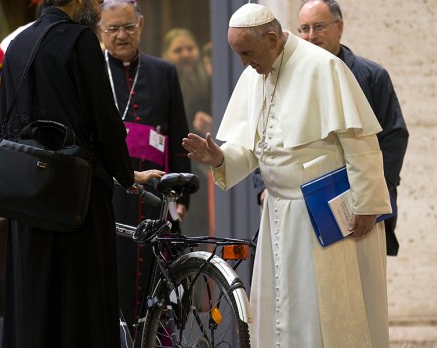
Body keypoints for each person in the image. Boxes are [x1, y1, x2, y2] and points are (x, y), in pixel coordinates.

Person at [182, 3, 392, 347]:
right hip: (277, 214)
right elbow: (252, 147)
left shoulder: (323, 67)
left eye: (247, 53)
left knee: (324, 310)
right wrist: (219, 157)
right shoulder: (255, 74)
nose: (244, 64)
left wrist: (367, 205)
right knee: (280, 309)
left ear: (271, 38)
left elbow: (360, 142)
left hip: (325, 213)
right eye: (238, 54)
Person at [0, 1, 162, 347]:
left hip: (27, 200)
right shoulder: (80, 40)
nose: (97, 4)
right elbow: (103, 123)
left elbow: (2, 124)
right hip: (74, 202)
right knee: (79, 309)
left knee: (34, 305)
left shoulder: (18, 44)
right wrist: (127, 175)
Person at [253, 0, 409, 256]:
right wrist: (263, 186)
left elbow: (394, 138)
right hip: (302, 207)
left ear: (340, 27)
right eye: (304, 28)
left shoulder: (372, 75)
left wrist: (370, 196)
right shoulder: (283, 76)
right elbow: (266, 134)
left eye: (319, 27)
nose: (311, 36)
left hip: (357, 206)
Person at [97, 0, 191, 330]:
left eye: (128, 26)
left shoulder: (163, 72)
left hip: (154, 195)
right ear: (100, 30)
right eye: (112, 28)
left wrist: (180, 197)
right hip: (109, 192)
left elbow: (179, 134)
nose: (121, 35)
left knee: (155, 282)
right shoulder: (92, 69)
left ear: (142, 24)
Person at [162, 28, 213, 239]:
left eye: (190, 48)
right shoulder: (163, 84)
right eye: (178, 50)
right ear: (166, 55)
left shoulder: (210, 83)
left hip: (203, 169)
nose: (185, 54)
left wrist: (213, 126)